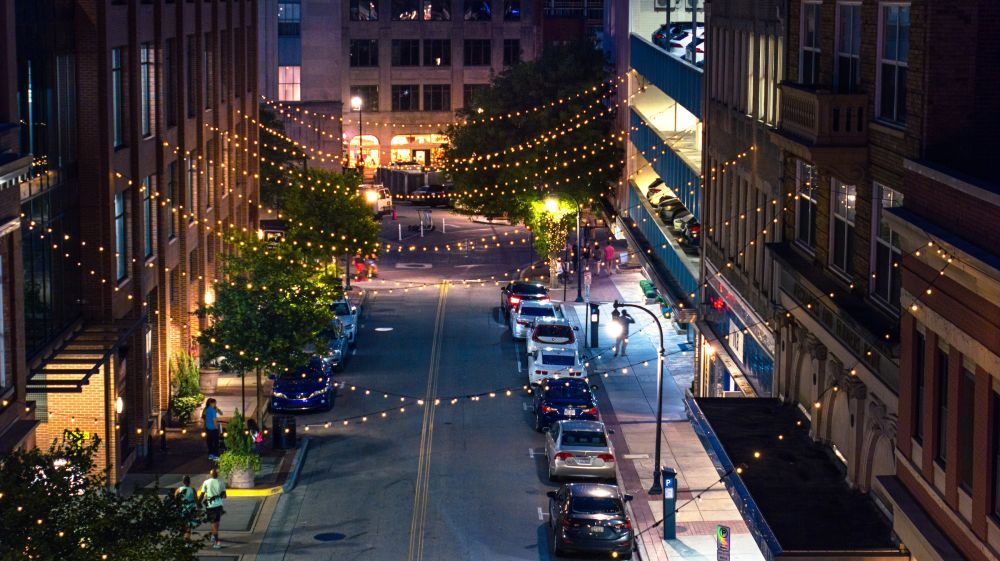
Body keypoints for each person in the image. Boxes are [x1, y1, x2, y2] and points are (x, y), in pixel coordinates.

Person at [199, 468, 226, 549]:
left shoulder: (206, 482)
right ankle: (214, 537)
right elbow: (224, 495)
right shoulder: (221, 482)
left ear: (210, 475)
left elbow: (202, 494)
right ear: (217, 475)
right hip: (219, 505)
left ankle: (216, 540)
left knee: (213, 522)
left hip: (210, 506)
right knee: (216, 522)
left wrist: (198, 503)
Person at [174, 475, 198, 540]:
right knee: (188, 527)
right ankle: (187, 540)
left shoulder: (178, 490)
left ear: (183, 482)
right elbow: (196, 501)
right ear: (189, 481)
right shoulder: (192, 490)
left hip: (182, 510)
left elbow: (175, 500)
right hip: (191, 510)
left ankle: (183, 540)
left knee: (183, 526)